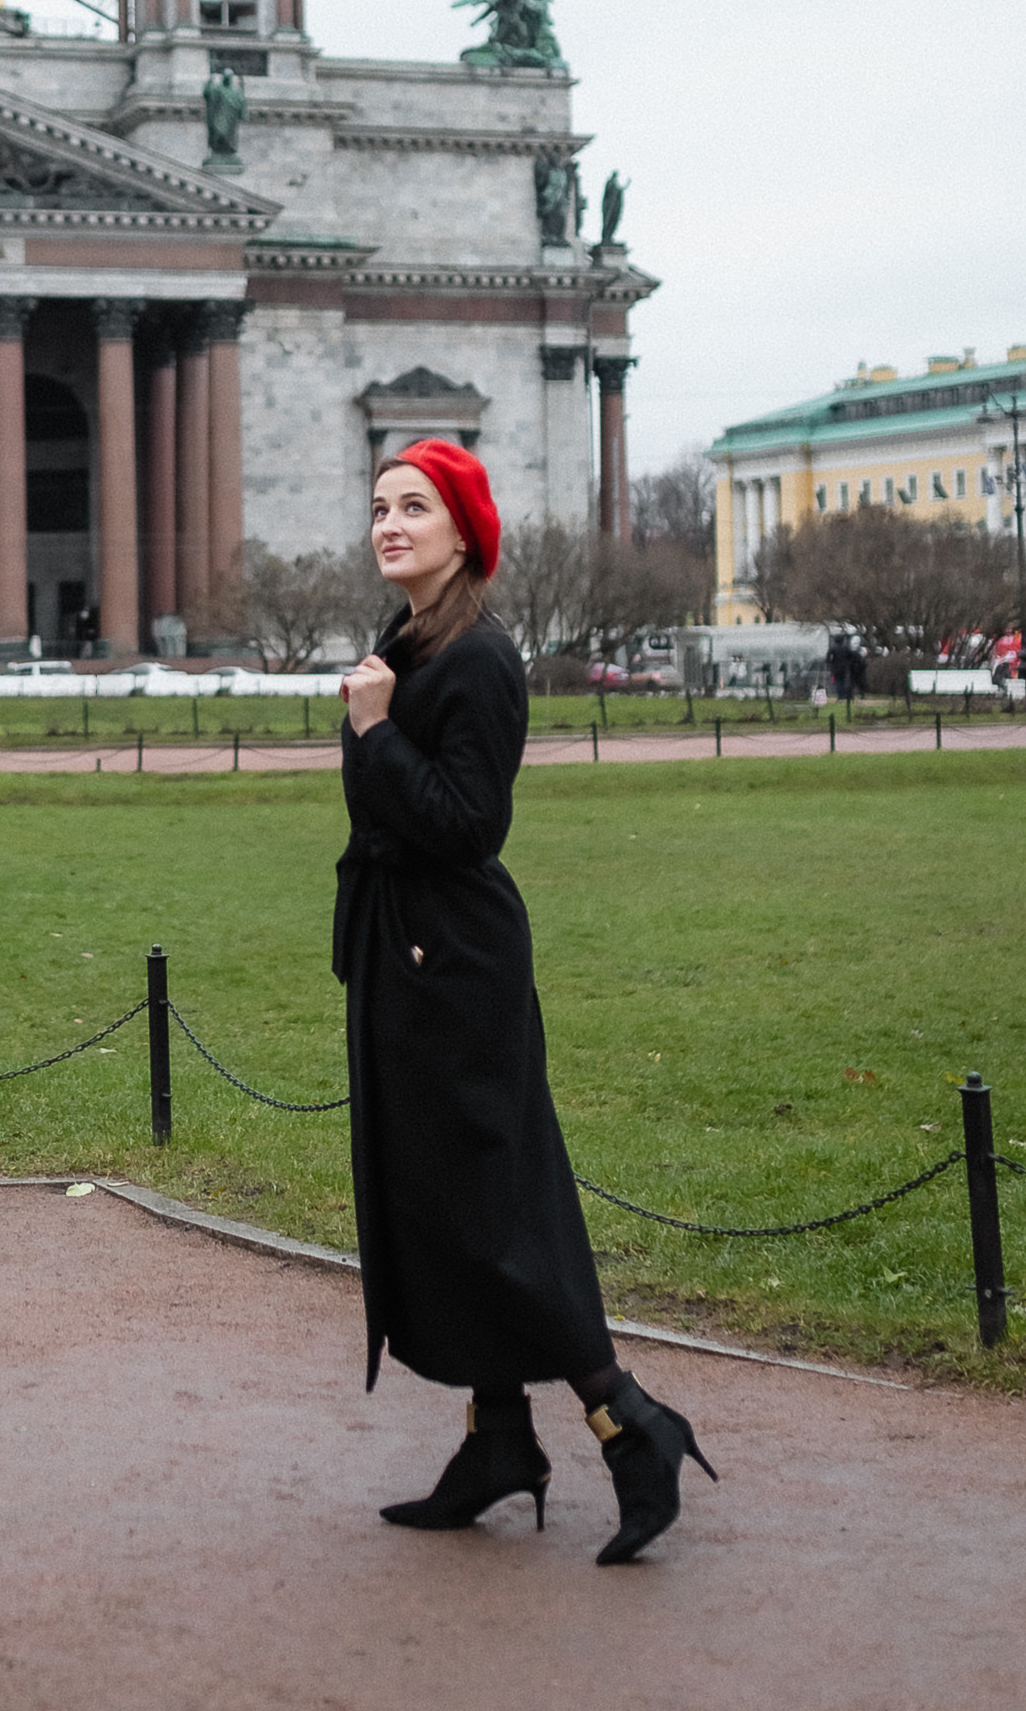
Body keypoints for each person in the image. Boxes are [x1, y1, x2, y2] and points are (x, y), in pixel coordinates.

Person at [336, 438, 716, 1565]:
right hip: (404, 956)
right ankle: (497, 1437)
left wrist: (373, 730)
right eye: (377, 507)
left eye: (413, 507)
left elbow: (465, 825)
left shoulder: (477, 659)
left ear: (464, 533)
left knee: (493, 1212)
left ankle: (627, 1420)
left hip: (454, 965)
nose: (388, 524)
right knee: (443, 1207)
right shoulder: (400, 644)